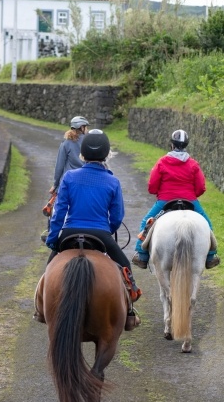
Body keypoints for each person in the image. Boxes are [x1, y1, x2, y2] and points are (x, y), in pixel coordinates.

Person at [37, 130, 141, 319]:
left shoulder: (69, 177)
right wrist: (107, 232)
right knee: (125, 265)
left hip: (70, 231)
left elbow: (59, 212)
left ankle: (41, 308)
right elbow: (117, 216)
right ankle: (130, 307)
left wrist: (53, 240)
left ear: (82, 155)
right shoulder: (113, 180)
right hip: (100, 233)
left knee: (49, 269)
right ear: (107, 155)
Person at [131, 129, 220, 269]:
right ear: (186, 145)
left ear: (172, 145)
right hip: (190, 201)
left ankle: (141, 255)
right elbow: (201, 187)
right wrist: (191, 195)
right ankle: (211, 256)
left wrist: (158, 192)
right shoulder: (193, 164)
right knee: (207, 224)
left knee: (146, 223)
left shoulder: (162, 162)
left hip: (165, 201)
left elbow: (152, 186)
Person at [41, 116, 89, 242]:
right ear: (82, 128)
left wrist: (55, 185)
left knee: (53, 205)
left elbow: (59, 166)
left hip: (67, 182)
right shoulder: (89, 142)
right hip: (85, 181)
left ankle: (50, 231)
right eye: (86, 127)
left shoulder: (66, 143)